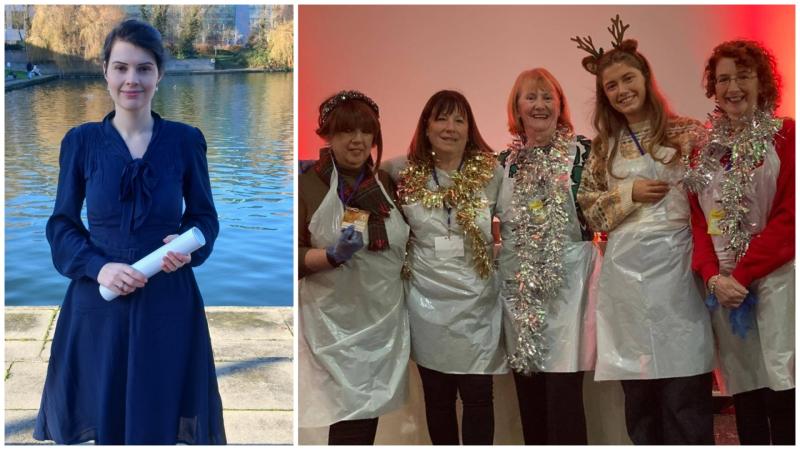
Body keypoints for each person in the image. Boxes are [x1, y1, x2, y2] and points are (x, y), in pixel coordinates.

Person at [33, 19, 225, 444]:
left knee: (157, 417)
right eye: (121, 68)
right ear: (105, 71)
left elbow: (205, 218)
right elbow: (61, 225)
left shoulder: (185, 141)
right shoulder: (80, 142)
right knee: (105, 419)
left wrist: (190, 244)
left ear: (159, 74)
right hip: (98, 302)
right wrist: (99, 268)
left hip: (167, 300)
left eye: (143, 68)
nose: (131, 80)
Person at [572, 16, 714, 444]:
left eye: (627, 78)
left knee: (684, 398)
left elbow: (714, 197)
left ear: (646, 77)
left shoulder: (687, 133)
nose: (621, 91)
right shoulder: (601, 148)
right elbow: (590, 213)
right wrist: (627, 193)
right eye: (610, 86)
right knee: (642, 403)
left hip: (678, 280)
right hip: (626, 288)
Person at [687, 40, 795, 445]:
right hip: (725, 289)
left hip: (776, 282)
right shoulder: (704, 148)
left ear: (762, 82)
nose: (733, 87)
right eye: (723, 79)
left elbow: (790, 218)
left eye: (743, 76)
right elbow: (696, 220)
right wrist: (714, 278)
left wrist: (744, 274)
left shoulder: (786, 135)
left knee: (783, 388)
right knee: (745, 392)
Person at [388, 90, 507, 445]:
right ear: (426, 126)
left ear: (470, 128)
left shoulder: (493, 172)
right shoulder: (400, 172)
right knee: (438, 400)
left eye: (459, 120)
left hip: (478, 303)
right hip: (426, 303)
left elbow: (517, 227)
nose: (450, 127)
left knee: (479, 398)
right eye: (441, 118)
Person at [297, 90, 410, 445]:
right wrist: (331, 255)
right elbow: (292, 256)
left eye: (365, 131)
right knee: (345, 414)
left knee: (367, 413)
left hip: (381, 319)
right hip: (333, 324)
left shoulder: (386, 183)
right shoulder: (306, 185)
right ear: (327, 136)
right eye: (346, 131)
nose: (357, 140)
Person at [496, 68, 599, 444]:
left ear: (560, 105)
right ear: (516, 107)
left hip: (568, 288)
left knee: (564, 394)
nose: (539, 105)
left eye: (547, 97)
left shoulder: (584, 153)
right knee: (530, 391)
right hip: (520, 290)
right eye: (530, 97)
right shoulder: (502, 162)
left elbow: (602, 210)